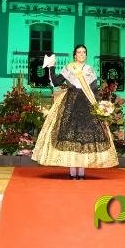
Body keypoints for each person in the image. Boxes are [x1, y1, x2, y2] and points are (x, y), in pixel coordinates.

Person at [32, 45, 118, 179]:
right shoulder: (69, 67)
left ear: (86, 55)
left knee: (83, 137)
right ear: (75, 55)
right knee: (71, 136)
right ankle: (72, 173)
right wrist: (51, 66)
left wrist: (101, 107)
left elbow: (94, 90)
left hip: (87, 105)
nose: (82, 54)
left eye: (84, 52)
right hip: (71, 104)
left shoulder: (89, 69)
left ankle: (81, 173)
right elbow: (56, 82)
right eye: (79, 52)